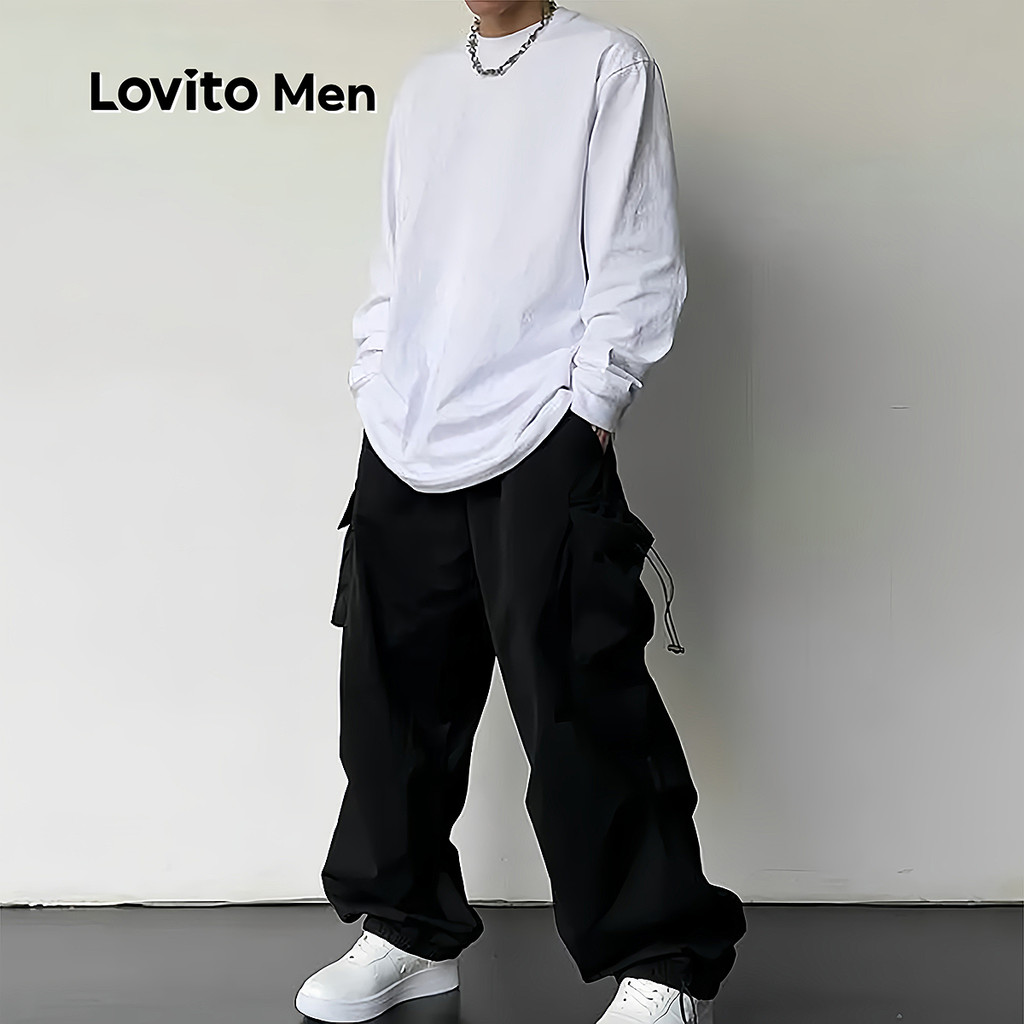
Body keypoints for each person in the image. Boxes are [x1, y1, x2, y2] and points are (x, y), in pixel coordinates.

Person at [295, 3, 746, 1022]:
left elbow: (636, 254)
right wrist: (373, 377)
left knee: (577, 687)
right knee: (390, 692)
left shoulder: (607, 67)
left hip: (545, 421)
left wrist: (592, 409)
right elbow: (398, 260)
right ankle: (405, 929)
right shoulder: (426, 87)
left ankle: (664, 961)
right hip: (406, 425)